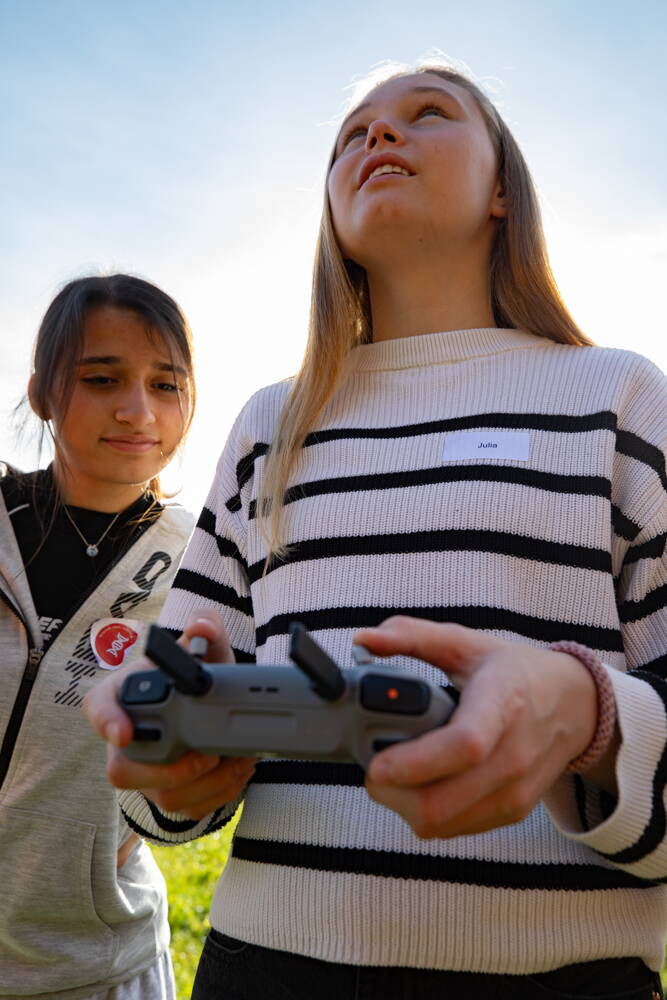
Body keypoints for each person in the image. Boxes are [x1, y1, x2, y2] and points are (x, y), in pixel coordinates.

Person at [84, 63, 667, 999]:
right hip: (260, 968)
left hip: (562, 976)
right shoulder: (269, 423)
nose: (375, 139)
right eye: (349, 136)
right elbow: (168, 749)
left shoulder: (622, 398)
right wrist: (168, 769)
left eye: (425, 115)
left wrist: (588, 718)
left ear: (504, 193)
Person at [0, 274, 196, 999]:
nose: (138, 410)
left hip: (99, 966)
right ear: (45, 391)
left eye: (165, 384)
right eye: (101, 377)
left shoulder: (203, 565)